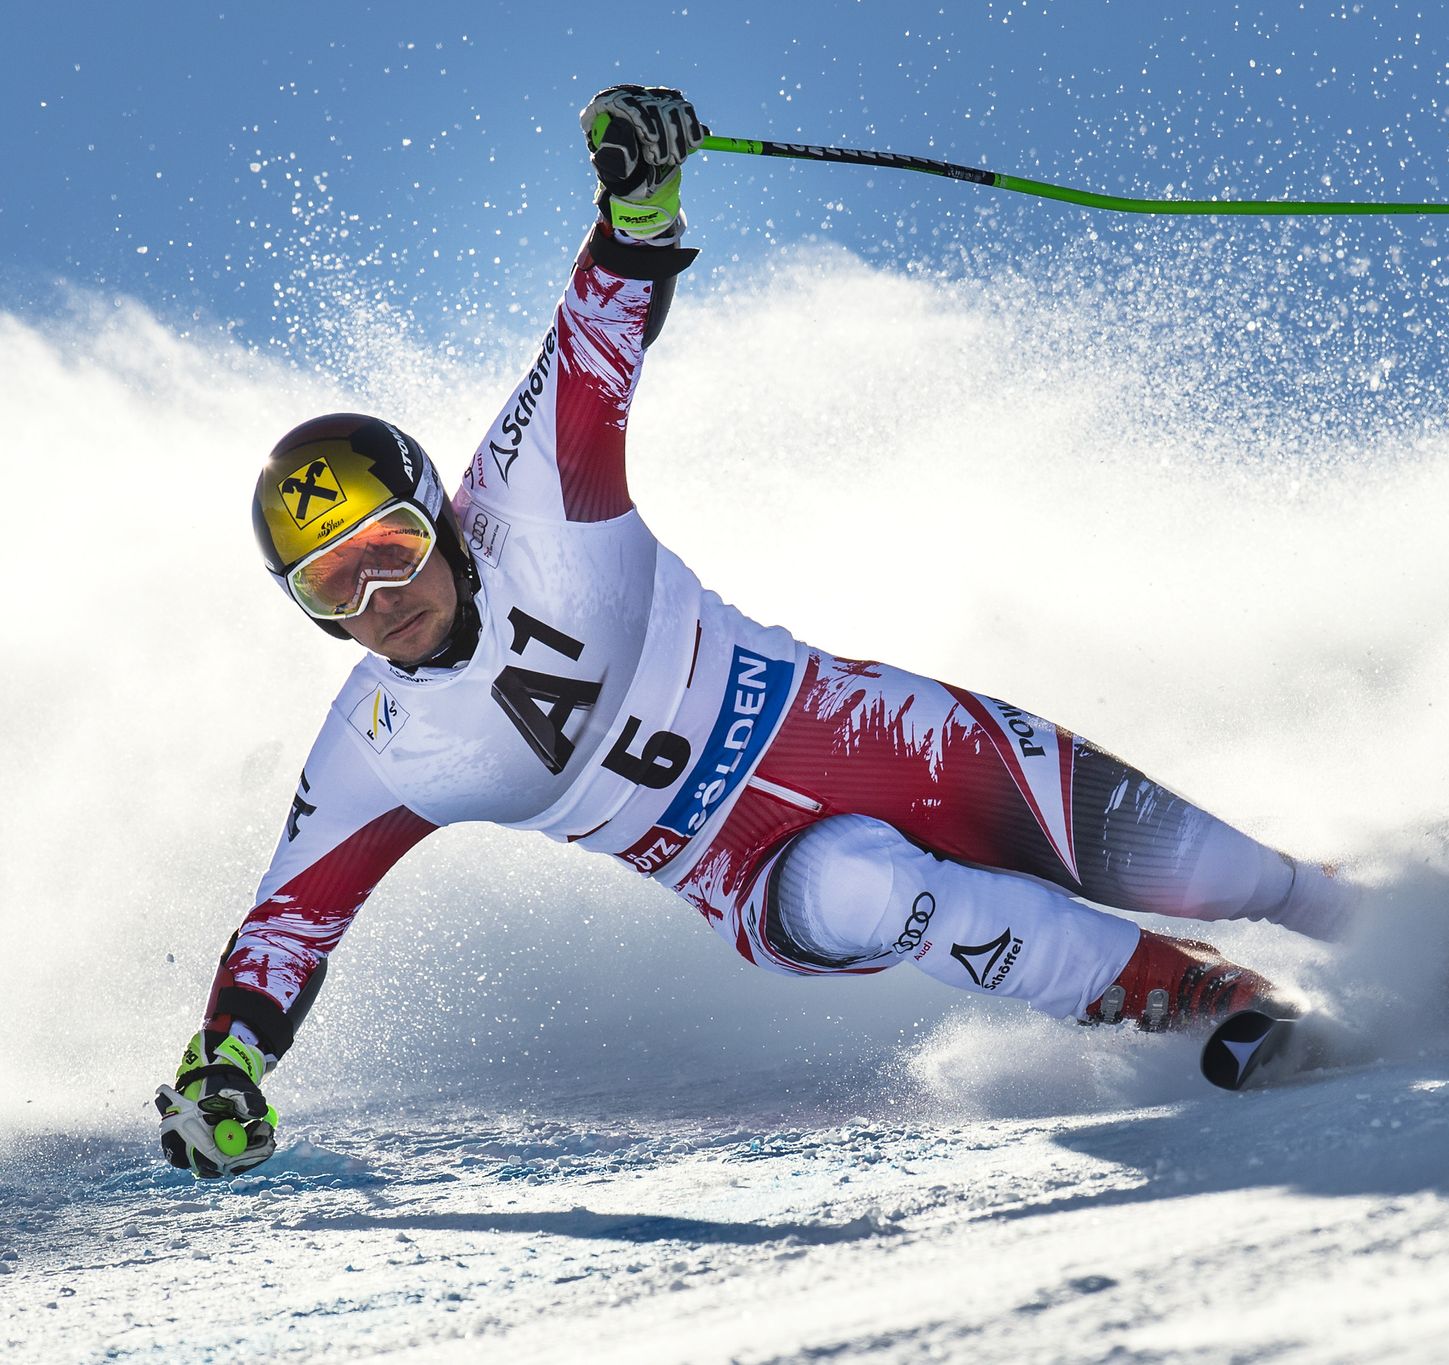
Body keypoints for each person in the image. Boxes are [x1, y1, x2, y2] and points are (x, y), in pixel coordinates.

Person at [154, 85, 1361, 1178]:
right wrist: (228, 1065)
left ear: (444, 522)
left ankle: (1413, 926)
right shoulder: (376, 747)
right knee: (858, 887)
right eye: (333, 593)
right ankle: (1198, 999)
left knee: (1218, 869)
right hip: (748, 876)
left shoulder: (530, 499)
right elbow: (287, 924)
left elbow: (594, 333)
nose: (380, 606)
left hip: (864, 730)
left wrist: (640, 196)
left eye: (391, 555)